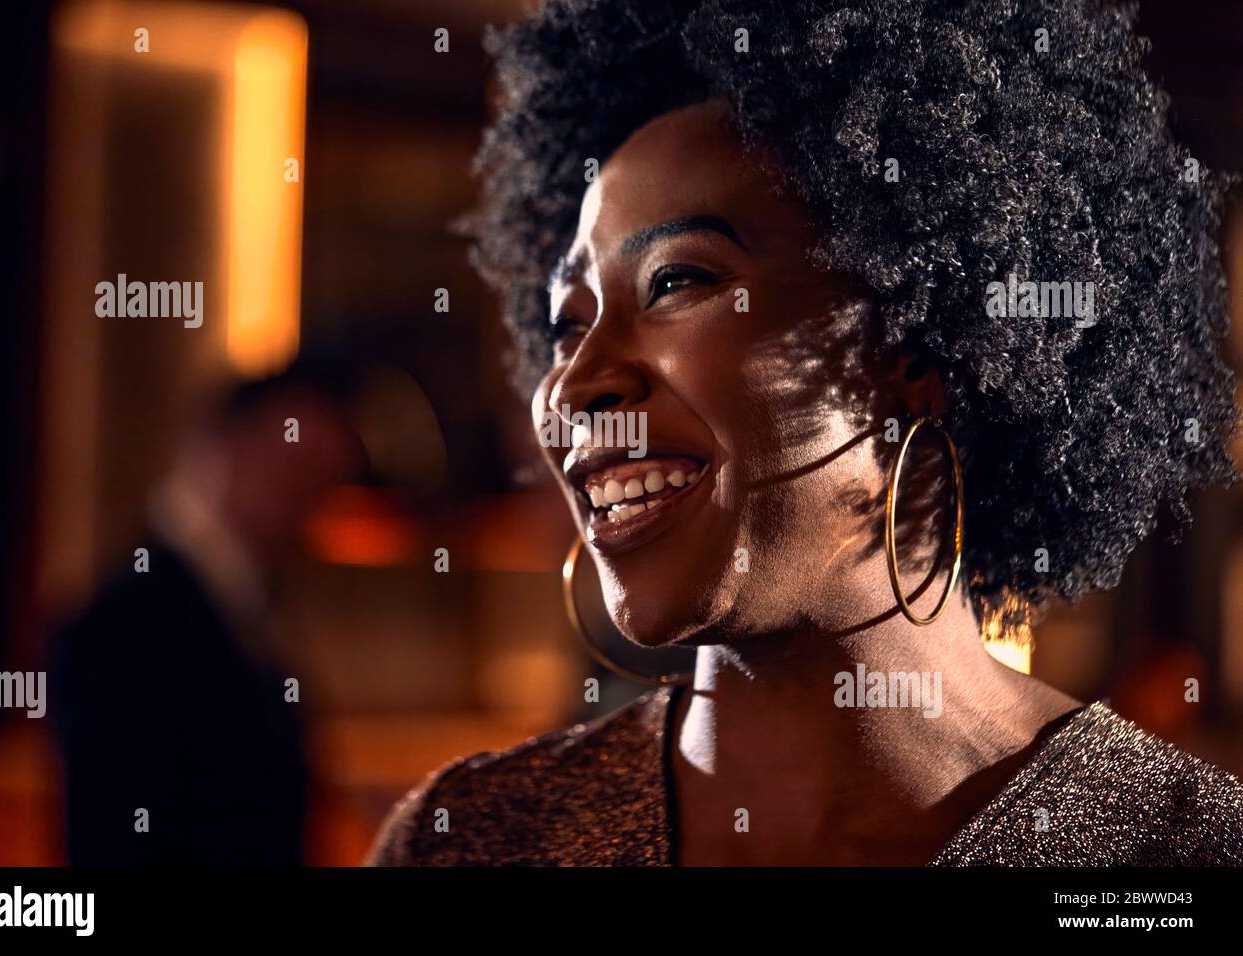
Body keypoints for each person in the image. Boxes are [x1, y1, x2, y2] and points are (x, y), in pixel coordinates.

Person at [372, 0, 1243, 866]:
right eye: (567, 324)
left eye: (675, 282)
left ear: (921, 346)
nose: (576, 383)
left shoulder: (1174, 856)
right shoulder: (469, 841)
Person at [52, 362, 365, 865]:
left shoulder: (245, 600)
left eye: (323, 484)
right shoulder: (128, 620)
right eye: (297, 474)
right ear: (226, 450)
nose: (309, 509)